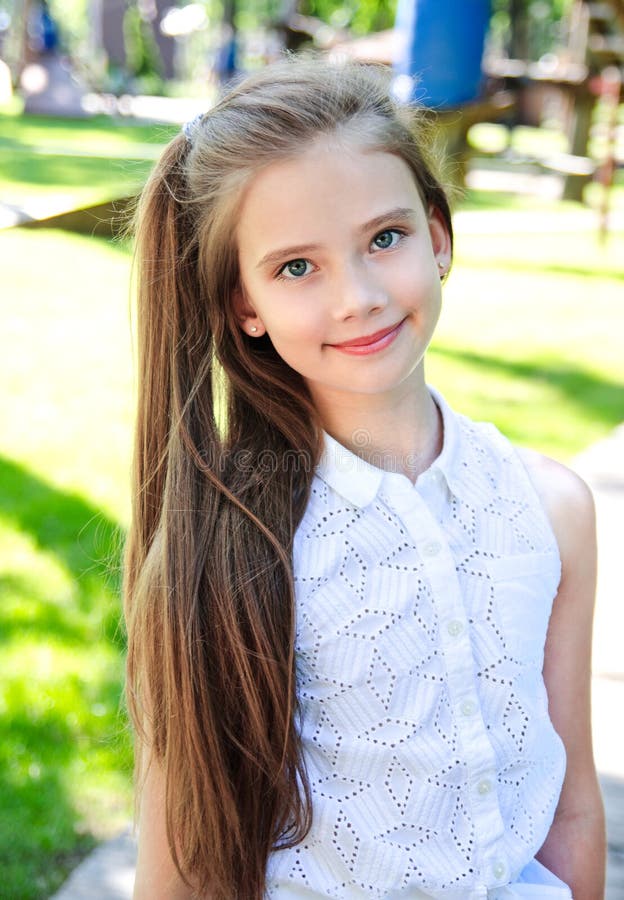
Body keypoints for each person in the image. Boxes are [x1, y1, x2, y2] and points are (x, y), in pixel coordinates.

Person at [124, 56, 606, 900]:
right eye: (296, 268)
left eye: (385, 239)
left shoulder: (552, 510)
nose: (358, 297)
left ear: (439, 235)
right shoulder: (226, 548)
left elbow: (569, 806)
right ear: (244, 304)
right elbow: (180, 860)